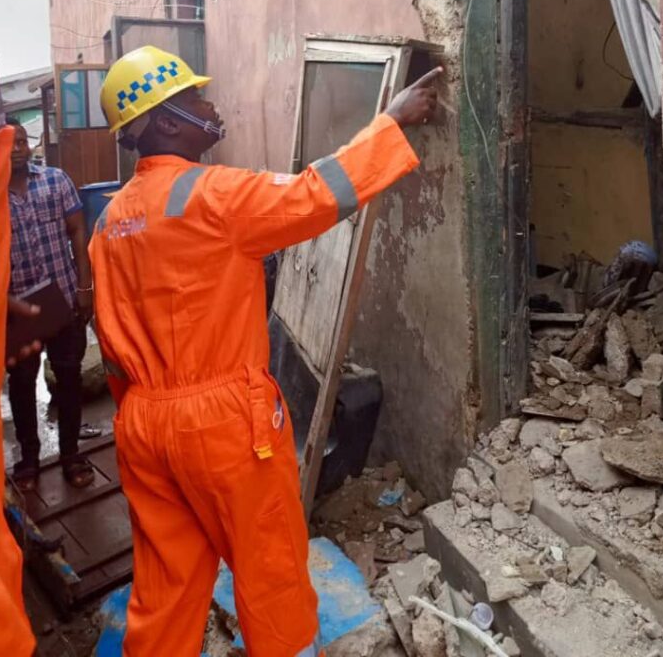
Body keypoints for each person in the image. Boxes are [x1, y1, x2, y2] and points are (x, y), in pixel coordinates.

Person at [90, 44, 441, 657]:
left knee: (166, 587)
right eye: (195, 99)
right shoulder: (212, 195)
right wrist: (391, 122)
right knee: (269, 568)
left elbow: (113, 343)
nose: (211, 106)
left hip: (142, 425)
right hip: (223, 423)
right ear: (168, 122)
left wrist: (146, 413)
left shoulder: (110, 223)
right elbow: (315, 195)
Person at [0, 38, 36, 656]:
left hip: (22, 317)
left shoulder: (51, 187)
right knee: (25, 398)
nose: (9, 141)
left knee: (60, 387)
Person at [7, 117, 95, 490]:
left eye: (22, 141)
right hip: (19, 307)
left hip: (62, 297)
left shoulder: (56, 180)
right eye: (9, 143)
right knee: (23, 382)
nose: (17, 148)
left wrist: (84, 286)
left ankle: (71, 453)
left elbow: (77, 231)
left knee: (69, 377)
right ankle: (29, 458)